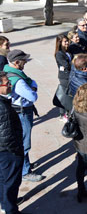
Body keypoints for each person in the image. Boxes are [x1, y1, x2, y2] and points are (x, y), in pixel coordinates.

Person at [3, 50, 44, 182]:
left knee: (22, 141)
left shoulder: (9, 70)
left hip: (18, 111)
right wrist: (33, 87)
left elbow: (31, 81)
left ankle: (26, 164)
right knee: (24, 143)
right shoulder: (19, 80)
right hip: (22, 113)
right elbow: (32, 96)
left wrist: (31, 84)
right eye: (24, 60)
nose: (25, 62)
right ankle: (25, 171)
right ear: (16, 62)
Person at [0, 71, 24, 214]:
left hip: (3, 152)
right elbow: (7, 135)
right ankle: (10, 210)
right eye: (7, 83)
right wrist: (17, 152)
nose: (10, 85)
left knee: (3, 180)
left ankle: (4, 205)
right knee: (11, 184)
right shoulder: (2, 108)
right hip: (8, 152)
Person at [54, 34, 72, 120]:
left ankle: (68, 112)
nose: (67, 43)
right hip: (64, 77)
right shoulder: (59, 54)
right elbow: (66, 65)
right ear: (60, 43)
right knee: (64, 95)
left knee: (68, 95)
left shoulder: (68, 51)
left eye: (67, 41)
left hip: (70, 75)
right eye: (65, 41)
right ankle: (63, 114)